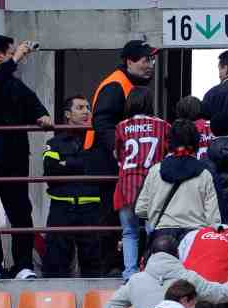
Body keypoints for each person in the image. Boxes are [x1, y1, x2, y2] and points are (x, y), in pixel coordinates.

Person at [86, 40, 159, 275]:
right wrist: (117, 149)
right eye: (146, 60)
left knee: (127, 220)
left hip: (122, 163)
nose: (151, 65)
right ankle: (111, 267)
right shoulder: (116, 85)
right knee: (110, 215)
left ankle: (126, 266)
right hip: (106, 161)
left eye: (152, 60)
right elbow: (102, 121)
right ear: (129, 61)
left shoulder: (127, 83)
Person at [0, 35, 53, 279]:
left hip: (13, 160)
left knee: (21, 213)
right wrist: (16, 59)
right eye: (11, 52)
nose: (18, 56)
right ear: (0, 55)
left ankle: (23, 265)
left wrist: (42, 115)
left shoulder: (15, 84)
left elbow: (33, 103)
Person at [41, 95, 102, 278]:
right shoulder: (54, 142)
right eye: (80, 108)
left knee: (93, 266)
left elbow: (97, 168)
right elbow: (51, 172)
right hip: (62, 206)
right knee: (55, 263)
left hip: (90, 207)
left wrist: (66, 163)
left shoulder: (98, 141)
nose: (86, 112)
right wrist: (81, 164)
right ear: (68, 114)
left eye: (88, 108)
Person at [115, 87, 171, 281]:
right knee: (152, 230)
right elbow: (168, 154)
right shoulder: (163, 125)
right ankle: (152, 271)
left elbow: (118, 155)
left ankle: (129, 274)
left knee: (129, 232)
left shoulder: (121, 126)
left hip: (127, 185)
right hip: (152, 185)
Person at [135, 119, 220, 242]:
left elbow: (140, 209)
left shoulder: (155, 171)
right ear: (196, 142)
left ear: (170, 142)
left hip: (162, 237)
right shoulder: (205, 174)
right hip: (194, 239)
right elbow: (213, 219)